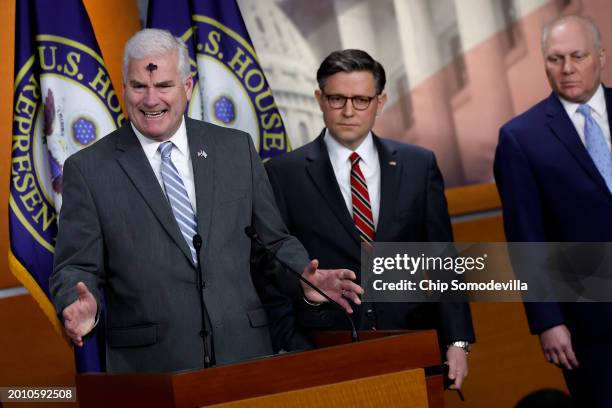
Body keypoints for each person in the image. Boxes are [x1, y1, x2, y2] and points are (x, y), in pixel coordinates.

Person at [49, 29, 362, 373]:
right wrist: (79, 302)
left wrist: (303, 275)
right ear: (124, 89)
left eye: (164, 85)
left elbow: (272, 242)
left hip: (245, 356)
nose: (151, 100)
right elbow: (75, 267)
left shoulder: (235, 149)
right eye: (139, 86)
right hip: (152, 368)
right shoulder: (89, 169)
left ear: (188, 87)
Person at [263, 49, 475, 389]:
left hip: (413, 344)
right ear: (319, 99)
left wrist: (457, 341)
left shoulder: (418, 165)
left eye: (361, 100)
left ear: (381, 101)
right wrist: (292, 346)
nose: (349, 111)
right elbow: (271, 267)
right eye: (337, 99)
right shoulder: (283, 174)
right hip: (325, 352)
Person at [494, 15, 612, 407]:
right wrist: (548, 320)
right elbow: (526, 237)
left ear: (600, 55)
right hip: (589, 325)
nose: (567, 69)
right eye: (555, 59)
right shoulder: (520, 138)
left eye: (577, 56)